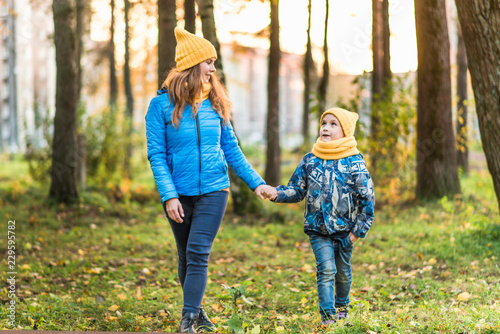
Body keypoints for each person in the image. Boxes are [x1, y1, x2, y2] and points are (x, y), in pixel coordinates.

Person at [145, 27, 268, 333]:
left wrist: (257, 183)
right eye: (208, 61)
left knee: (198, 251)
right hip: (179, 193)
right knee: (186, 255)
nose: (213, 68)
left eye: (214, 62)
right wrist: (168, 195)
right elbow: (156, 155)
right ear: (191, 65)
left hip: (215, 189)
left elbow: (232, 150)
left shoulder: (216, 102)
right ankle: (196, 312)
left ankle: (187, 323)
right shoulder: (159, 106)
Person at [262, 108, 375, 324]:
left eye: (334, 124)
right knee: (326, 270)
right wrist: (277, 193)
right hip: (318, 229)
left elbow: (367, 198)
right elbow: (297, 190)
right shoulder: (310, 160)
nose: (326, 128)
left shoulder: (354, 162)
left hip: (345, 230)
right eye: (324, 123)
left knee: (342, 273)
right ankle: (328, 318)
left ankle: (342, 310)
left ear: (346, 131)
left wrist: (356, 233)